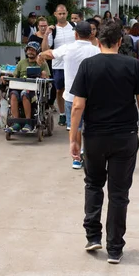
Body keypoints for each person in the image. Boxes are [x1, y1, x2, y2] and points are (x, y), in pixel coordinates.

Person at [69, 21, 139, 264]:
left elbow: (77, 106)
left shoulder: (88, 65)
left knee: (93, 184)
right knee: (119, 193)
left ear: (98, 41)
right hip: (124, 137)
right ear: (119, 42)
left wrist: (74, 137)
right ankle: (115, 249)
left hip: (94, 137)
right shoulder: (133, 65)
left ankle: (93, 236)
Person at [38, 22, 100, 169]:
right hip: (92, 98)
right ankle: (88, 153)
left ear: (76, 34)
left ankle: (76, 158)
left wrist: (40, 55)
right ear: (90, 34)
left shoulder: (67, 48)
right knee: (90, 127)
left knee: (75, 127)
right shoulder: (97, 51)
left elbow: (49, 53)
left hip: (72, 97)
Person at [42, 5, 76, 127]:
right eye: (59, 13)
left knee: (75, 90)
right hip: (58, 65)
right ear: (55, 14)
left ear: (67, 13)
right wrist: (46, 34)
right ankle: (62, 114)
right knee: (60, 90)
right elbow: (45, 49)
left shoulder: (74, 27)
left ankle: (73, 115)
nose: (62, 15)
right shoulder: (53, 30)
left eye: (64, 13)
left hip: (73, 64)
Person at [5, 42, 50, 133]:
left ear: (37, 52)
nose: (30, 52)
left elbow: (47, 77)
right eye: (29, 50)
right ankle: (16, 123)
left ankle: (28, 122)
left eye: (33, 50)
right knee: (13, 94)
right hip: (20, 87)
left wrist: (43, 75)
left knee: (24, 93)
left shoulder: (42, 63)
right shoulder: (22, 63)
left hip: (35, 90)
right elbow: (15, 76)